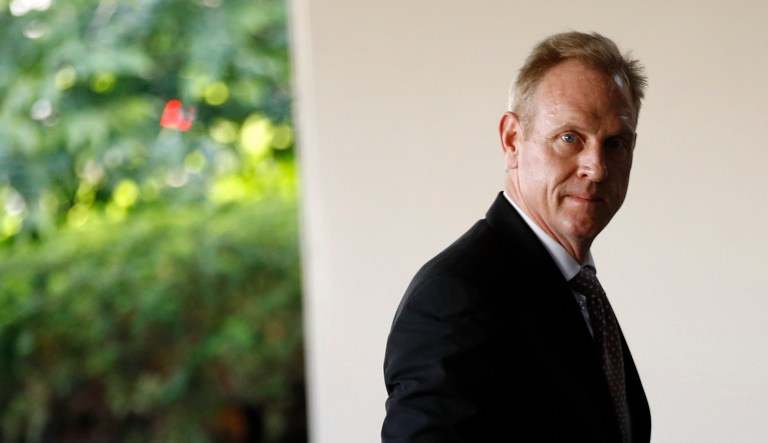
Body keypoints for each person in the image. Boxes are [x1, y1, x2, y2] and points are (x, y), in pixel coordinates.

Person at [382, 30, 651, 443]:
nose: (596, 168)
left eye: (615, 143)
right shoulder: (457, 297)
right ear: (512, 140)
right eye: (569, 138)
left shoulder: (578, 289)